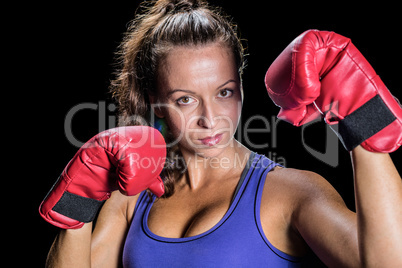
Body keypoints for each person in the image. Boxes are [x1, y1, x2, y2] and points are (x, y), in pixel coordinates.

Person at [41, 0, 402, 267]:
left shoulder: (291, 193)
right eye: (185, 99)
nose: (210, 118)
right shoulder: (131, 200)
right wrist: (78, 203)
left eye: (224, 92)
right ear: (154, 101)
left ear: (241, 87)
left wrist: (363, 123)